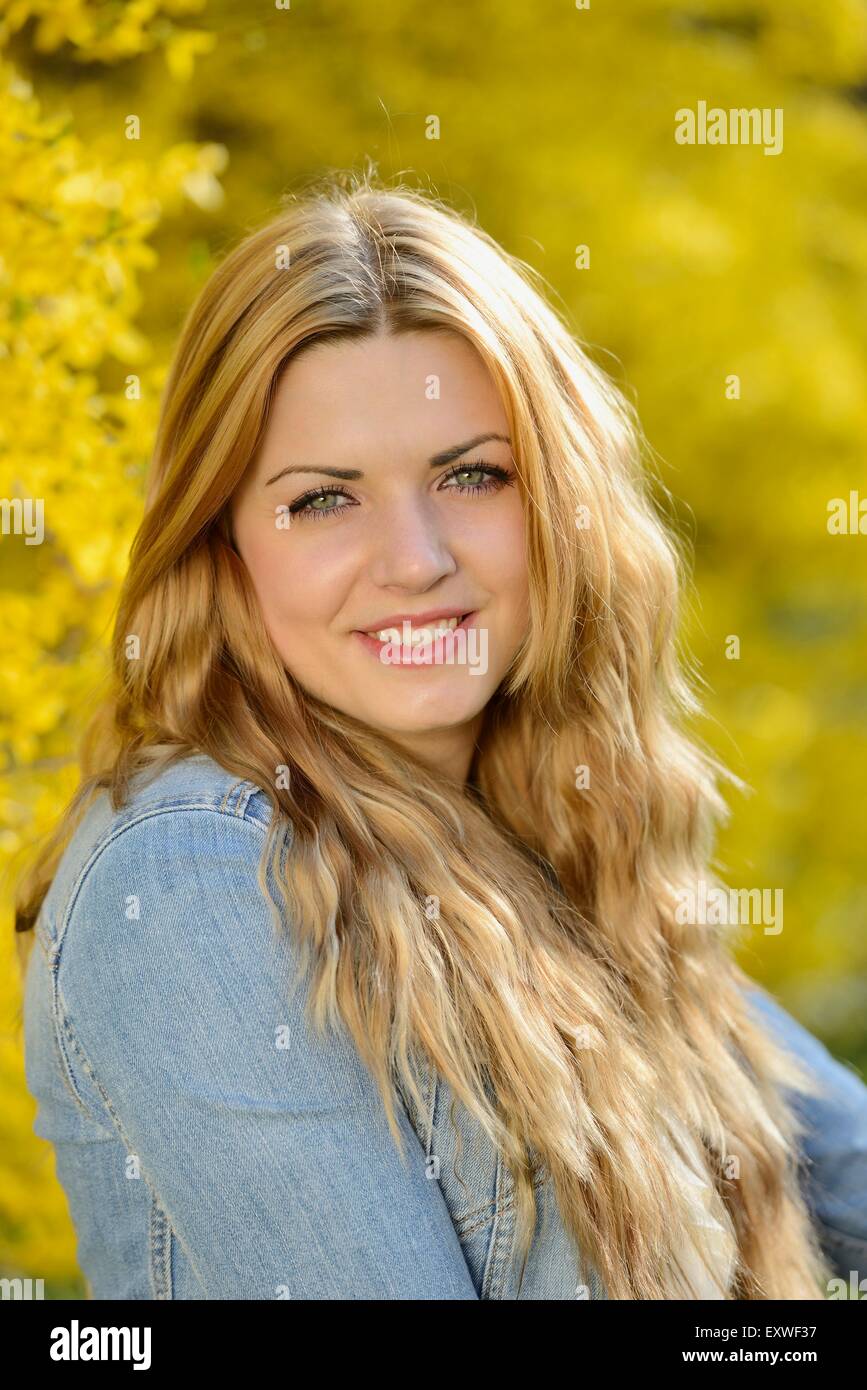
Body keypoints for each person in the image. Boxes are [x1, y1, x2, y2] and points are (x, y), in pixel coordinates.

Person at [15, 172, 867, 1300]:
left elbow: (839, 1163)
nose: (415, 559)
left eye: (472, 475)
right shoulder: (196, 878)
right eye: (325, 498)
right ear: (223, 543)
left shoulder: (553, 835)